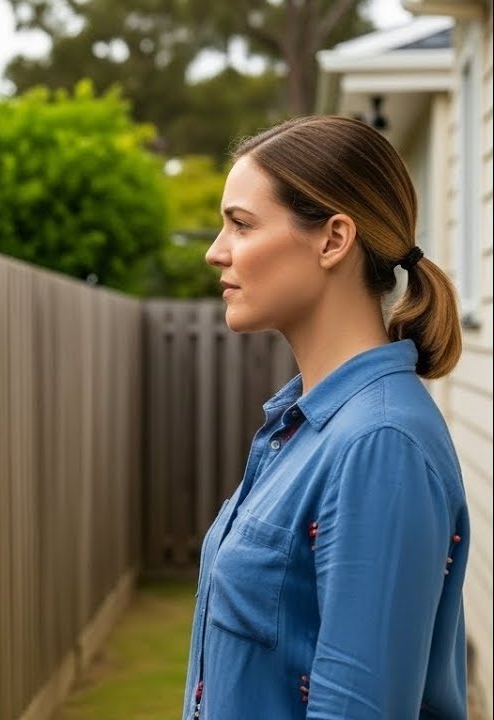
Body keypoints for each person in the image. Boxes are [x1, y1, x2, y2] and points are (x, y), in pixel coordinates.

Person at [184, 115, 468, 719]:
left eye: (240, 223)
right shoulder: (302, 427)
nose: (216, 251)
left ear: (334, 239)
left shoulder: (380, 445)